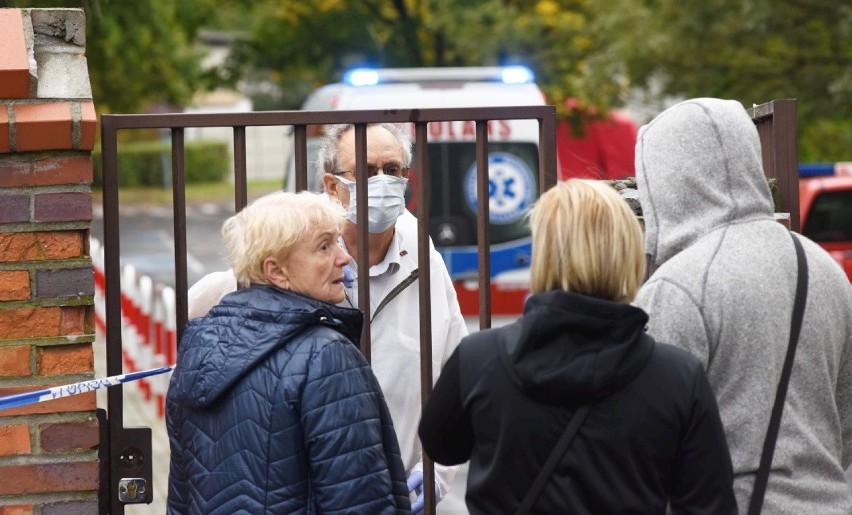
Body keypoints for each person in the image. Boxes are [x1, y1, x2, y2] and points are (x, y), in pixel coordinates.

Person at [186, 123, 468, 513]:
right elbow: (218, 310)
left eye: (394, 170)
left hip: (403, 491)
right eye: (368, 171)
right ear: (333, 185)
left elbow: (455, 374)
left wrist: (438, 469)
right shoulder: (299, 248)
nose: (384, 182)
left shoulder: (421, 251)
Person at [419, 179, 737, 514]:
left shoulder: (479, 359)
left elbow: (442, 445)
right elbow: (709, 504)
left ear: (544, 256)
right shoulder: (678, 377)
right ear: (629, 255)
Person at [632, 97, 852, 513]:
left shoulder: (676, 287)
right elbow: (846, 418)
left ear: (665, 179)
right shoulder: (822, 267)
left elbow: (651, 441)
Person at [166, 191, 410, 513]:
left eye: (338, 242)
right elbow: (359, 501)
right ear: (276, 271)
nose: (344, 258)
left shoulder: (199, 348)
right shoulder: (326, 356)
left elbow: (181, 499)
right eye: (324, 246)